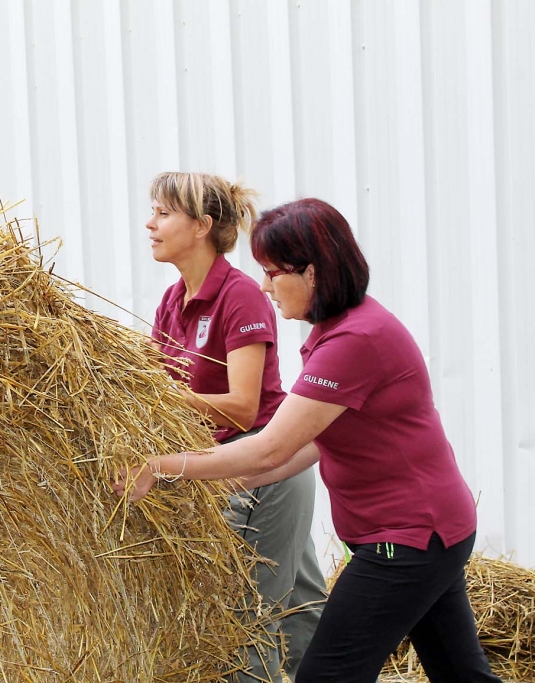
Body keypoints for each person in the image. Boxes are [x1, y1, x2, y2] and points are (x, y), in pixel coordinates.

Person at [114, 197, 501, 683]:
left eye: (275, 272)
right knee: (461, 676)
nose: (265, 286)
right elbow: (314, 442)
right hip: (432, 529)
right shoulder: (339, 327)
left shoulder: (353, 341)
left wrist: (160, 465)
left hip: (405, 539)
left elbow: (270, 443)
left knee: (325, 676)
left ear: (313, 273)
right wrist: (232, 483)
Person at [144, 173, 326, 682]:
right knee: (301, 612)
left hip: (261, 465)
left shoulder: (239, 295)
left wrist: (154, 396)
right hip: (225, 465)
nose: (149, 223)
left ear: (202, 226)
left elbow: (242, 407)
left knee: (248, 621)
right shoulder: (173, 301)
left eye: (162, 213)